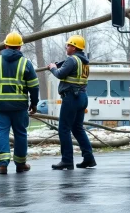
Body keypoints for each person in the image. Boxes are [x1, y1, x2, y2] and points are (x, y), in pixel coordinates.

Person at [0, 32, 39, 174]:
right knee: (20, 133)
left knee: (2, 132)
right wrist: (34, 103)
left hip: (0, 106)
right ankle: (21, 164)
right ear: (20, 47)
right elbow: (34, 86)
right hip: (19, 106)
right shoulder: (26, 63)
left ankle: (2, 165)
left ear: (6, 45)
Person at [48, 35, 96, 170]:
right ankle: (89, 158)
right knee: (77, 128)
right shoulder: (83, 61)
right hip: (82, 97)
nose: (66, 47)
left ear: (74, 47)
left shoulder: (72, 59)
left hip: (71, 97)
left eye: (68, 45)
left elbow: (59, 74)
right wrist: (59, 64)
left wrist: (52, 67)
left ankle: (67, 160)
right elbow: (70, 70)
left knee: (64, 129)